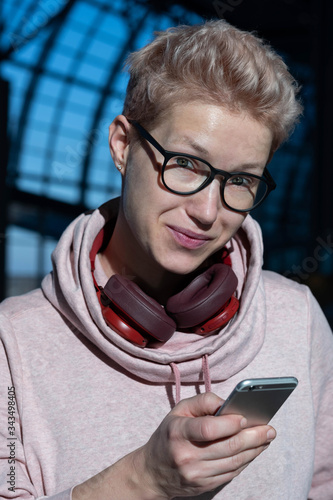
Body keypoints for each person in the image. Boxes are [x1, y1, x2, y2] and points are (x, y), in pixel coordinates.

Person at [1, 19, 332, 500]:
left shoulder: (298, 319)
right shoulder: (14, 341)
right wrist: (141, 482)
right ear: (122, 145)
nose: (207, 211)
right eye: (187, 164)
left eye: (239, 181)